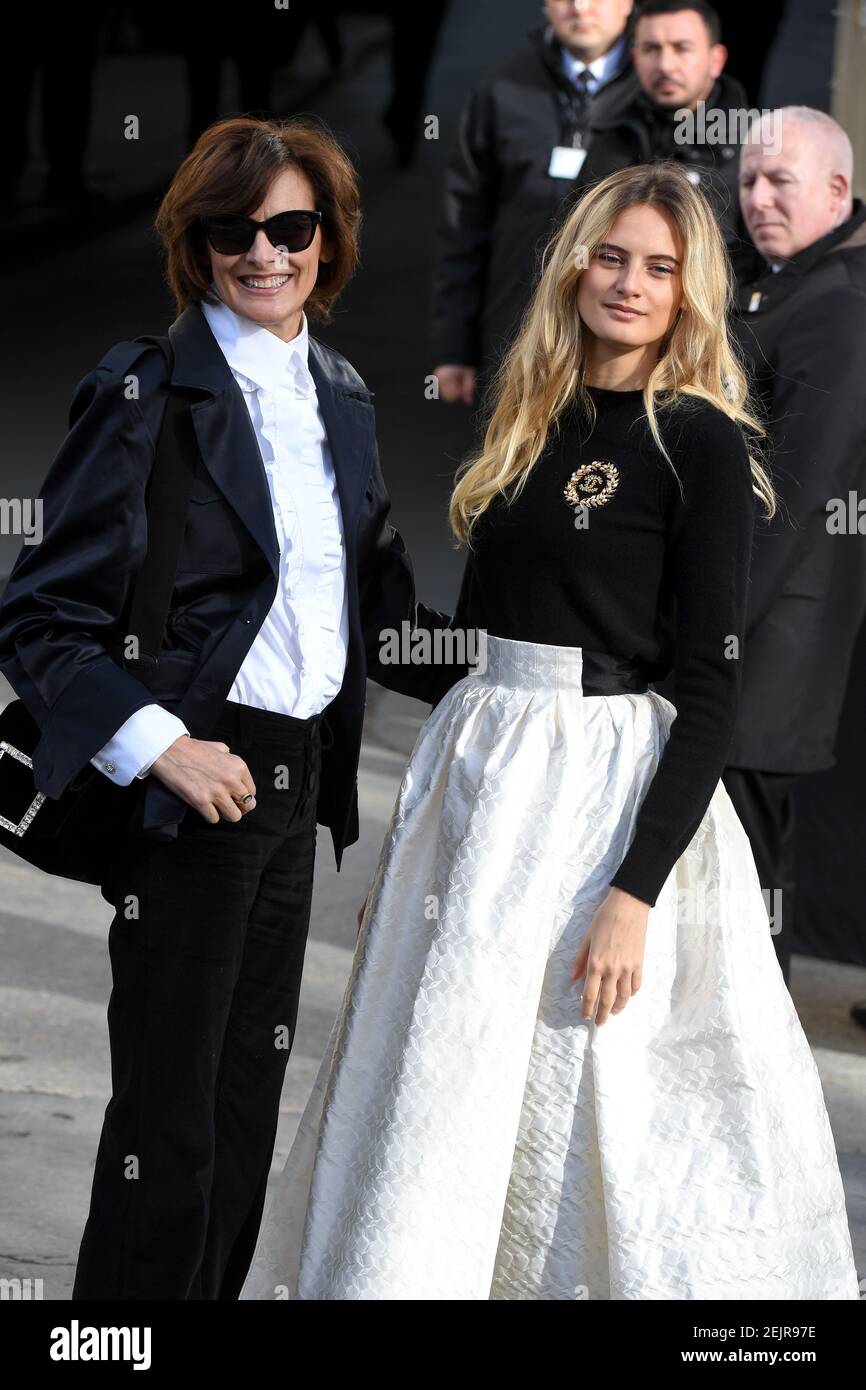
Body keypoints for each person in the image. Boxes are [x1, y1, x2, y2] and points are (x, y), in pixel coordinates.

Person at [240, 163, 860, 1300]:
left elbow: (707, 692)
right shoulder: (529, 416)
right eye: (612, 256)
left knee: (596, 1103)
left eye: (659, 268)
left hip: (606, 801)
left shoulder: (701, 444)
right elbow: (473, 656)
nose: (629, 283)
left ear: (688, 295)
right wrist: (322, 563)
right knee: (447, 1085)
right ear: (575, 262)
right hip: (482, 796)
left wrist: (634, 891)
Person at [0, 115, 466, 1300]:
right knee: (170, 1124)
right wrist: (164, 747)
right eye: (231, 231)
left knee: (244, 1109)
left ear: (329, 239)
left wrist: (540, 659)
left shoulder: (343, 395)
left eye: (290, 228)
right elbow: (39, 618)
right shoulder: (146, 395)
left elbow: (384, 616)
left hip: (296, 787)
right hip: (190, 790)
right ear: (195, 245)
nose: (263, 254)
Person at [721, 107, 866, 986]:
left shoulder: (842, 304)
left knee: (742, 888)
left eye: (781, 182)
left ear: (837, 191)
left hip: (771, 650)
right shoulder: (785, 282)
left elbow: (798, 492)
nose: (760, 198)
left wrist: (716, 627)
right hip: (759, 644)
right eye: (748, 182)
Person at [430, 0, 639, 405]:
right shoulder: (500, 89)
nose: (581, 7)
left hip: (622, 346)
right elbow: (463, 225)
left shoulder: (659, 92)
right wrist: (453, 345)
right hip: (515, 335)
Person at [571, 1, 753, 281]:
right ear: (634, 58)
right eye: (651, 49)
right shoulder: (609, 135)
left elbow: (762, 264)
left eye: (682, 48)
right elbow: (575, 242)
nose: (665, 65)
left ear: (716, 60)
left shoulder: (753, 147)